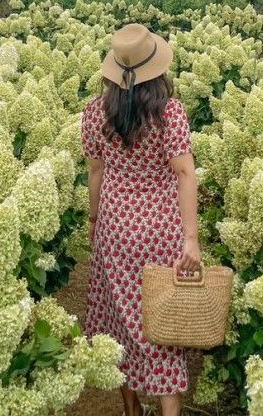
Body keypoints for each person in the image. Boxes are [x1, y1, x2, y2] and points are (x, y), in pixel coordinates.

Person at [81, 22, 201, 416]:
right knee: (163, 331)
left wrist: (95, 220)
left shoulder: (96, 112)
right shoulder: (171, 113)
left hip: (116, 230)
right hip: (161, 231)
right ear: (158, 70)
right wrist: (191, 239)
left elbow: (96, 172)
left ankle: (132, 411)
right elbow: (185, 174)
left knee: (120, 328)